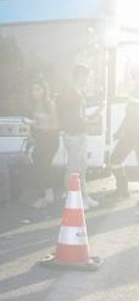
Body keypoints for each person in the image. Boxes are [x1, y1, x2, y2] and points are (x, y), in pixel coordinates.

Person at [57, 64, 101, 208]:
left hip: (75, 134)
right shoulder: (73, 93)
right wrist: (90, 121)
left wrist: (87, 120)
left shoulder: (74, 92)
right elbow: (74, 118)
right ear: (81, 76)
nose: (87, 80)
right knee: (74, 169)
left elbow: (75, 116)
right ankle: (72, 198)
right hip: (74, 135)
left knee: (80, 167)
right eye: (86, 77)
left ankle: (84, 197)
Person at [26, 77, 60, 208]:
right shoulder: (34, 105)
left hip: (51, 140)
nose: (34, 92)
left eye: (38, 89)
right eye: (32, 90)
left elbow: (56, 125)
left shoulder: (50, 104)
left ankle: (43, 198)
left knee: (43, 167)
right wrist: (31, 132)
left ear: (44, 90)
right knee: (38, 166)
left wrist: (41, 127)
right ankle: (48, 193)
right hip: (40, 139)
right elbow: (34, 123)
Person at [109, 66, 139, 200]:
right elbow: (129, 115)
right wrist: (120, 131)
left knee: (115, 159)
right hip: (130, 134)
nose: (133, 79)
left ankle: (122, 190)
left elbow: (131, 114)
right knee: (115, 159)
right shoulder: (133, 92)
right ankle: (122, 189)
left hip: (134, 134)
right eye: (133, 76)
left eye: (134, 76)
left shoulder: (135, 93)